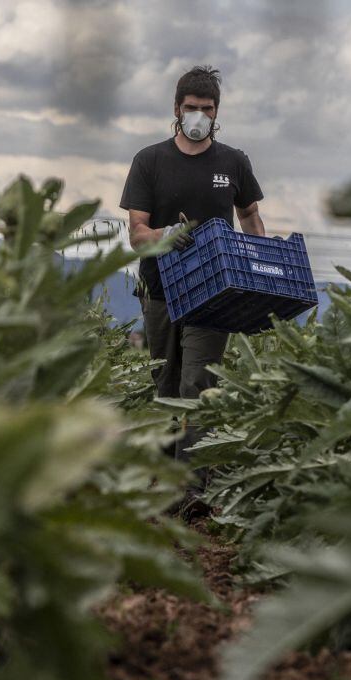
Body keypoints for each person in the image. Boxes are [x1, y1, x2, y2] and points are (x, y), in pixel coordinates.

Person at [119, 65, 267, 512]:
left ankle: (191, 492)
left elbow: (251, 218)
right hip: (162, 289)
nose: (198, 115)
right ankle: (162, 482)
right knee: (165, 384)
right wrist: (165, 235)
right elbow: (136, 232)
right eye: (191, 108)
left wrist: (258, 262)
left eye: (206, 109)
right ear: (177, 110)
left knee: (198, 386)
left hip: (214, 293)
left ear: (217, 113)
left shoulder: (233, 162)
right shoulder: (150, 161)